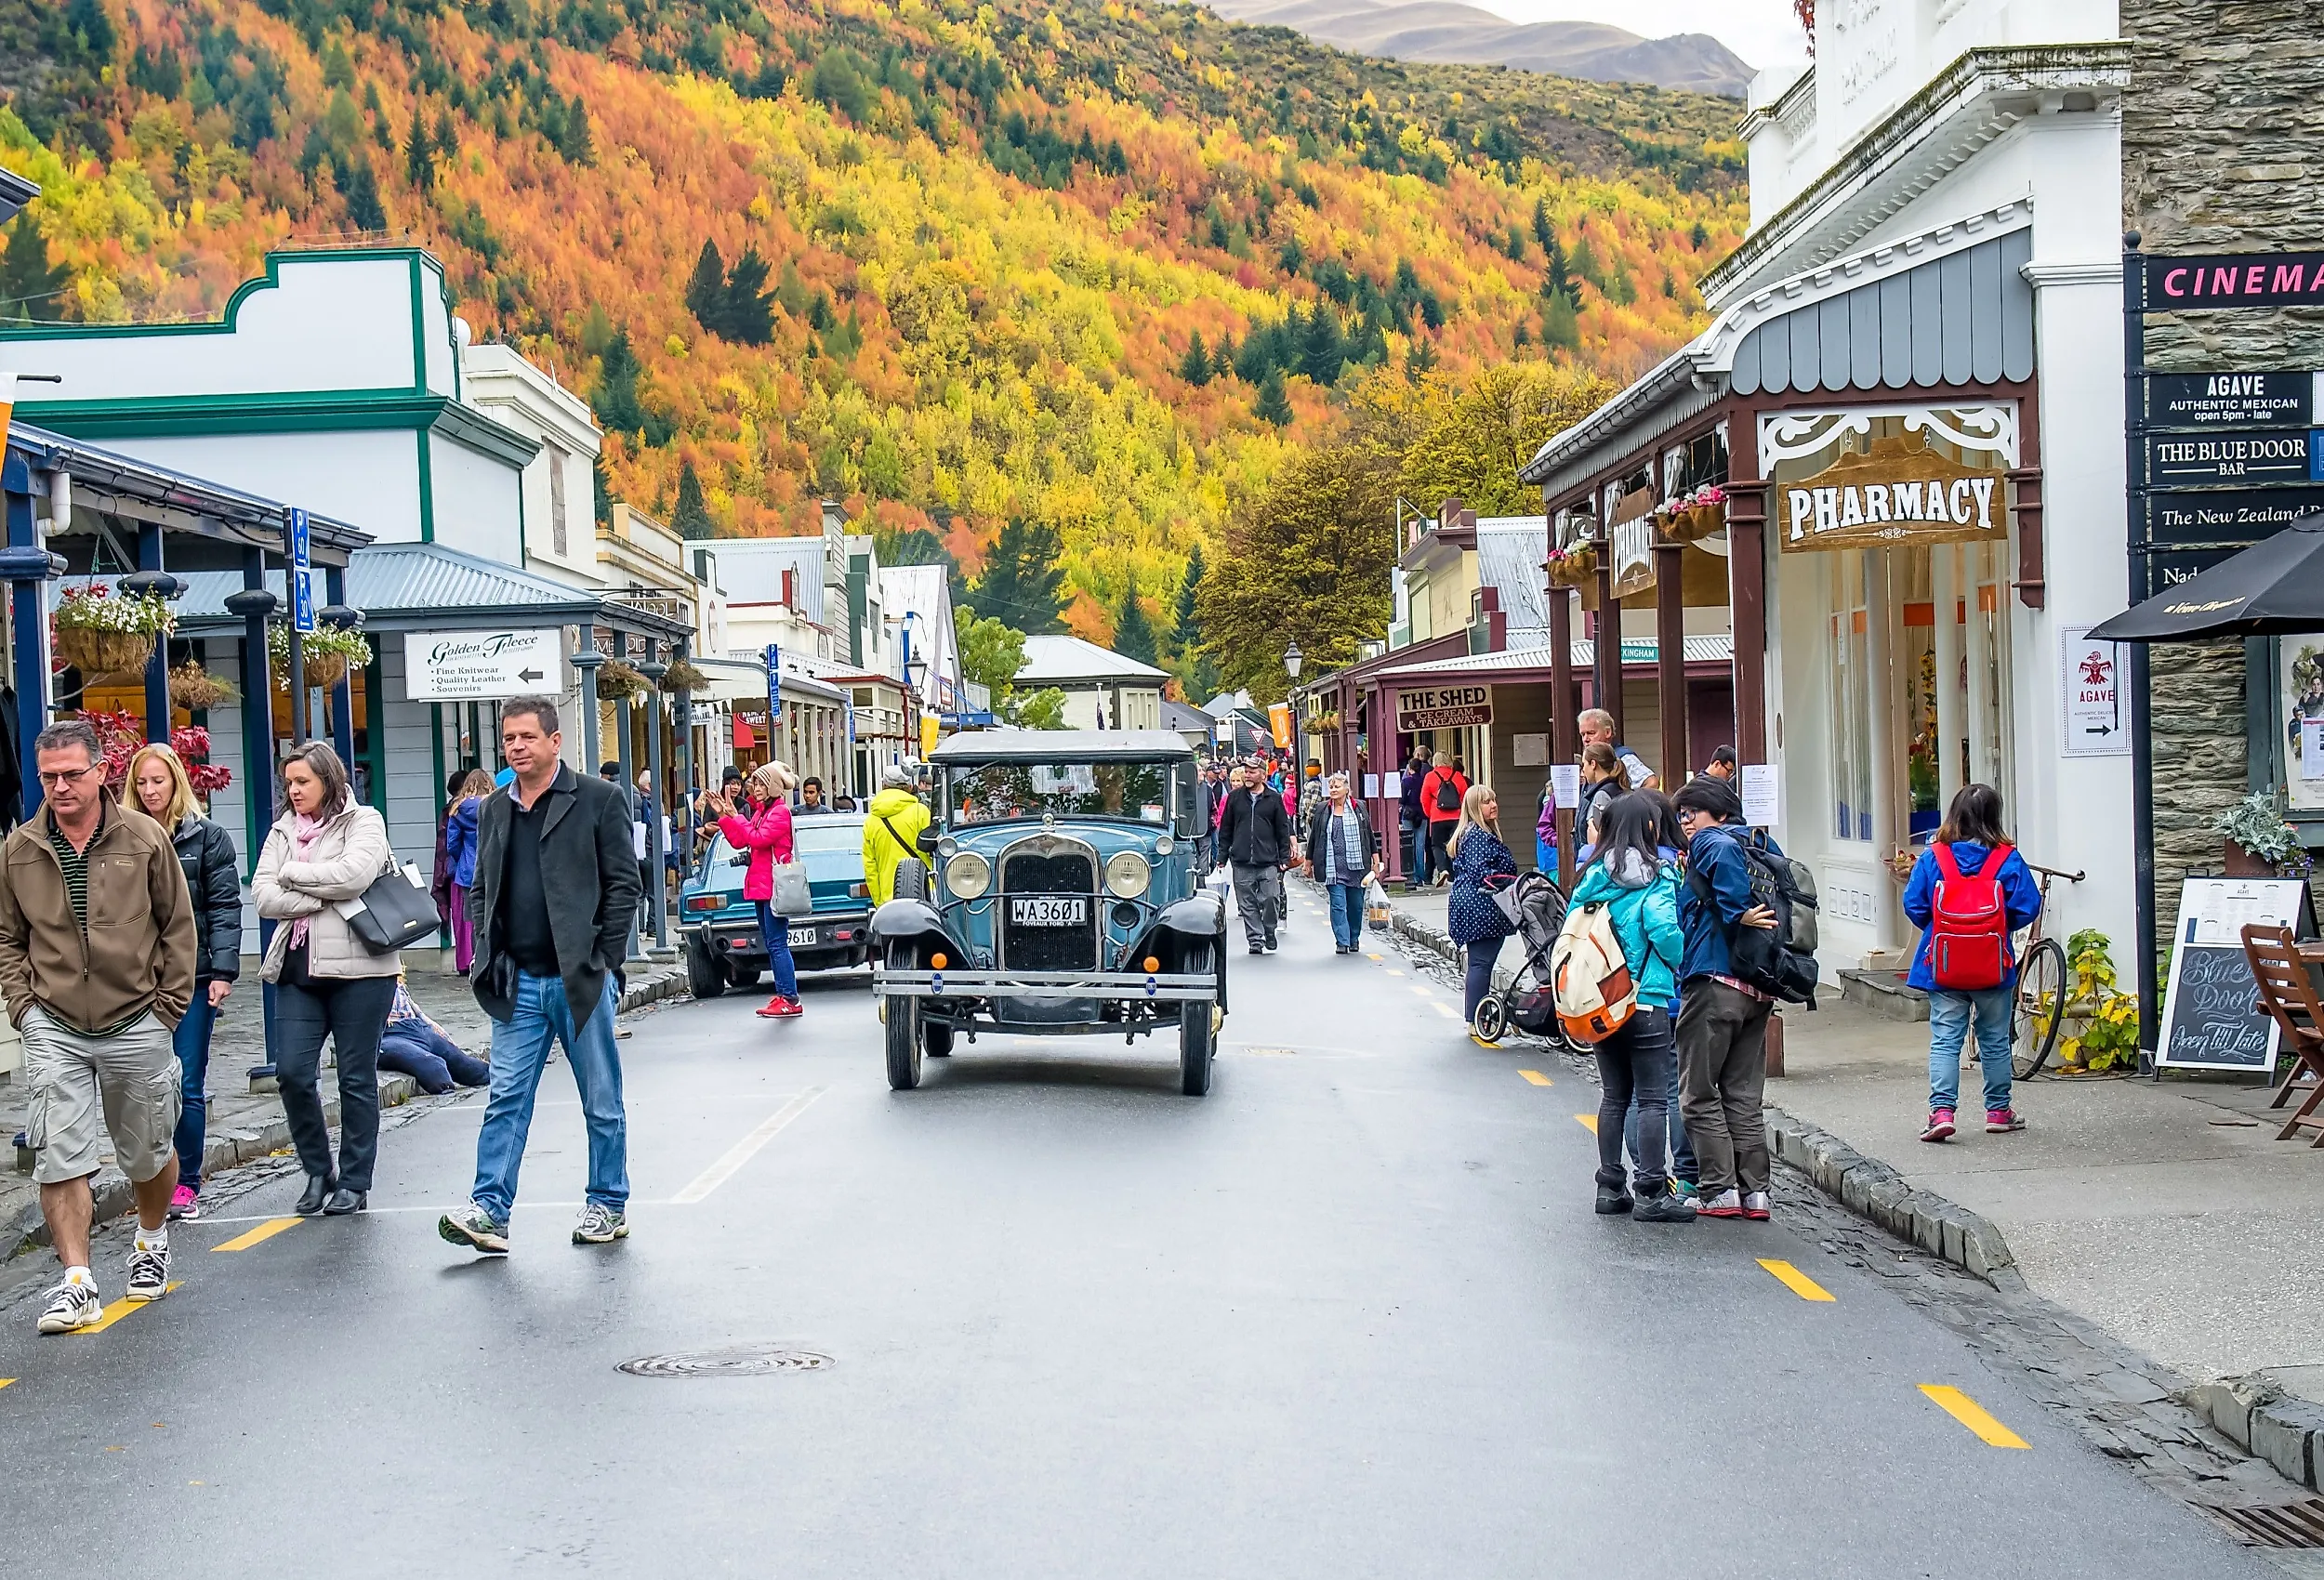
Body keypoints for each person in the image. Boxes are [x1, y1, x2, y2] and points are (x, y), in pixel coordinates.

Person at [0, 719, 195, 1334]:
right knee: (58, 1157)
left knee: (147, 1152)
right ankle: (77, 1281)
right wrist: (23, 1010)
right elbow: (9, 938)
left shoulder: (143, 838)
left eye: (71, 775)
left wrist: (166, 1008)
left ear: (102, 771)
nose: (60, 787)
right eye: (48, 777)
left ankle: (150, 1238)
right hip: (54, 1021)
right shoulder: (20, 849)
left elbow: (178, 927)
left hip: (136, 1017)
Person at [442, 696, 641, 1254]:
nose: (517, 747)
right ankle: (489, 1211)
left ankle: (607, 1203)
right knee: (506, 1096)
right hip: (519, 980)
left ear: (555, 741)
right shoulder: (495, 808)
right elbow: (482, 887)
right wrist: (486, 948)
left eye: (528, 737)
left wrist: (604, 957)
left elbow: (625, 885)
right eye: (509, 739)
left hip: (579, 979)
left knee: (601, 1098)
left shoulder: (599, 800)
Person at [254, 742, 401, 1218]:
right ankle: (319, 1170)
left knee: (355, 1079)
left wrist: (292, 874)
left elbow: (353, 876)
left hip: (361, 970)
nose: (294, 791)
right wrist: (317, 898)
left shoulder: (365, 821)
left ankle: (355, 1182)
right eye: (289, 782)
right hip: (297, 967)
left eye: (303, 782)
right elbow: (262, 896)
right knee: (292, 1074)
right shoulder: (281, 830)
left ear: (329, 780)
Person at [126, 744, 240, 1223]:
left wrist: (223, 973)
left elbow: (224, 906)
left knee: (187, 1081)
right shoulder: (122, 838)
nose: (151, 791)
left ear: (176, 783)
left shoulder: (207, 837)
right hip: (134, 983)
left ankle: (186, 1183)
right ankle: (150, 1179)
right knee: (139, 1086)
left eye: (160, 781)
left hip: (191, 978)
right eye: (143, 782)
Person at [1570, 796, 1694, 1223]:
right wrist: (1679, 958)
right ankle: (1652, 1193)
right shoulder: (1657, 878)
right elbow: (1664, 931)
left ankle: (1610, 1187)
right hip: (1646, 1000)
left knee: (1614, 1097)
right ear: (1650, 829)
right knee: (1654, 1099)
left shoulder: (1589, 878)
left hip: (1602, 1004)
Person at [1670, 777, 1784, 1222]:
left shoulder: (1713, 842)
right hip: (1758, 985)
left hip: (1714, 979)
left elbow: (1728, 902)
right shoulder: (1760, 841)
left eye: (1691, 813)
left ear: (1717, 812)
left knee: (1698, 1091)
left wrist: (1736, 913)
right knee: (1741, 1093)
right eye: (1681, 816)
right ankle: (1756, 1193)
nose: (1685, 823)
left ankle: (1718, 1190)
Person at [1903, 784, 2042, 1141]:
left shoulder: (1935, 857)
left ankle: (1942, 1113)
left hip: (1944, 963)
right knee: (1995, 1039)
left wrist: (1941, 929)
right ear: (1995, 816)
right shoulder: (2006, 858)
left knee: (1946, 1038)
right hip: (1993, 964)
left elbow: (1914, 904)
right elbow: (2028, 905)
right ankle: (1998, 1111)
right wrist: (1995, 928)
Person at [710, 761, 803, 1019]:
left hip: (774, 886)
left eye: (762, 783)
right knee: (773, 944)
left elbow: (758, 838)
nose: (756, 788)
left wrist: (736, 816)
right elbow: (740, 840)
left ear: (773, 786)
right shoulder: (762, 811)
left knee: (777, 944)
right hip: (761, 886)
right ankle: (784, 994)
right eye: (755, 783)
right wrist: (724, 816)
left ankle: (790, 998)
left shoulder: (780, 813)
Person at [1446, 783, 1516, 1021]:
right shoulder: (1477, 836)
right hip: (1479, 906)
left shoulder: (1477, 833)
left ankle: (1478, 1017)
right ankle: (1476, 1018)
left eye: (1494, 800)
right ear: (1475, 807)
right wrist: (1512, 882)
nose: (1493, 805)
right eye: (1487, 802)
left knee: (1481, 964)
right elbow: (1482, 873)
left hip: (1474, 904)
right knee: (1481, 964)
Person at [1218, 757, 1293, 954]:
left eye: (1252, 772)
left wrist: (1284, 857)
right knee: (1247, 903)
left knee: (1270, 898)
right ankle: (1255, 941)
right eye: (1246, 772)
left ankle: (1269, 929)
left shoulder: (1274, 798)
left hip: (1267, 860)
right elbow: (1226, 828)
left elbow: (1282, 829)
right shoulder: (1235, 798)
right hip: (1241, 860)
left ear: (1262, 773)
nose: (1247, 776)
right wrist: (1222, 856)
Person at [1303, 771, 1380, 954]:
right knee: (1338, 904)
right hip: (1333, 867)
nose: (1333, 790)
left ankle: (1354, 938)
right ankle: (1342, 941)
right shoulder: (1323, 809)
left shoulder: (1359, 807)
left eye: (1337, 786)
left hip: (1357, 867)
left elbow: (1368, 835)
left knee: (1356, 905)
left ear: (1347, 789)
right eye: (1331, 787)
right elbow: (1314, 836)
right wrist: (1308, 862)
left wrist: (1376, 861)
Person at [377, 975, 490, 1093]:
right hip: (389, 1035)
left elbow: (414, 1008)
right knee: (435, 1069)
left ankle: (504, 1077)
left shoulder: (394, 975)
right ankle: (446, 1094)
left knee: (470, 1068)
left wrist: (438, 1032)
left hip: (417, 1028)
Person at [442, 769, 491, 974]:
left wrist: (461, 859)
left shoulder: (457, 810)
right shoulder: (496, 806)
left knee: (473, 918)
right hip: (493, 868)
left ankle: (477, 962)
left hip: (468, 871)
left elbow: (451, 845)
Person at [863, 765, 931, 906]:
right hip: (924, 893)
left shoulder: (871, 821)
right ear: (909, 787)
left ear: (884, 785)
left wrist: (879, 901)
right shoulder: (921, 812)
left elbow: (870, 867)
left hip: (889, 899)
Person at [1419, 751, 1470, 887]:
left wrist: (1430, 814)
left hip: (1437, 817)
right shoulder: (1458, 776)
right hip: (1456, 817)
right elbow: (1465, 797)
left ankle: (1442, 870)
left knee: (1436, 845)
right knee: (1455, 846)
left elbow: (1424, 798)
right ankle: (1455, 874)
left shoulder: (1430, 776)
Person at [1575, 743, 1631, 860]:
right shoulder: (1618, 788)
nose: (1582, 771)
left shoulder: (1602, 796)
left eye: (1584, 765)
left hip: (1599, 861)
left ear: (1593, 764)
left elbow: (1599, 837)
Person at [1579, 707, 1656, 791]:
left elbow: (1652, 783)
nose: (1585, 739)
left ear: (1608, 732)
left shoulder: (1623, 757)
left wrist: (1630, 802)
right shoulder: (1588, 761)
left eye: (1591, 733)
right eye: (1583, 735)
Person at [1400, 747, 1432, 889]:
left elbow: (1403, 799)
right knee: (1420, 847)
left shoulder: (1406, 782)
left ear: (1410, 768)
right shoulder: (1424, 780)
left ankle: (1412, 875)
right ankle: (1421, 876)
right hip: (1422, 814)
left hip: (1408, 814)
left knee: (1409, 844)